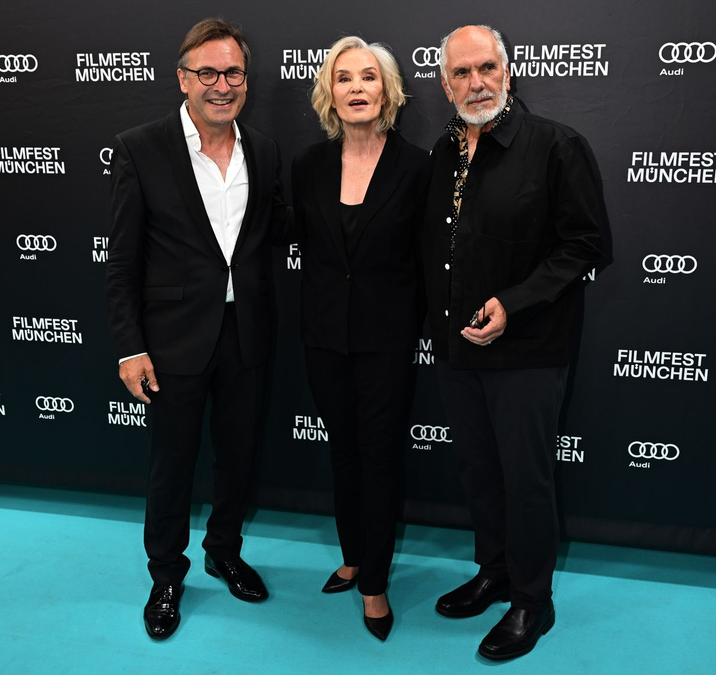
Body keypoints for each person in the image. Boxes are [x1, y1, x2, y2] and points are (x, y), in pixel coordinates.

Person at [421, 25, 606, 660]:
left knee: (526, 477)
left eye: (487, 68)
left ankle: (533, 601)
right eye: (463, 73)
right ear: (445, 84)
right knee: (479, 469)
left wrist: (514, 304)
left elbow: (586, 245)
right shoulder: (441, 153)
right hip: (457, 348)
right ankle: (495, 570)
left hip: (528, 349)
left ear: (507, 70)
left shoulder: (556, 145)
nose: (477, 82)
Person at [106, 18, 289, 640]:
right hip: (172, 339)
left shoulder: (263, 150)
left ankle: (225, 550)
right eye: (207, 73)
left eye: (232, 72)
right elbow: (123, 260)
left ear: (246, 80)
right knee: (173, 464)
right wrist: (130, 346)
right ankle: (166, 574)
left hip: (247, 332)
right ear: (182, 79)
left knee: (238, 457)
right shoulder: (139, 147)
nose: (221, 85)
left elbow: (271, 242)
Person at [291, 36, 430, 642]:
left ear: (387, 91)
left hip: (387, 339)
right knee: (343, 450)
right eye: (343, 78)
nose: (356, 88)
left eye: (368, 77)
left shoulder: (419, 166)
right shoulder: (307, 166)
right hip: (324, 337)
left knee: (378, 456)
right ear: (329, 92)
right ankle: (351, 555)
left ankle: (374, 582)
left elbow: (427, 260)